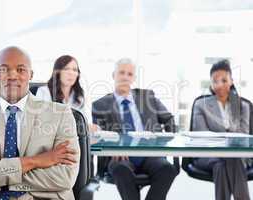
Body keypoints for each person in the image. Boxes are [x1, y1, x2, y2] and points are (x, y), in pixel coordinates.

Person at [0, 46, 80, 200]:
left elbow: (65, 177)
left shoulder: (60, 114)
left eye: (20, 70)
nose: (12, 75)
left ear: (30, 75)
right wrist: (37, 161)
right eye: (4, 69)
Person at [92, 58, 178, 200]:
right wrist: (115, 148)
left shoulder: (147, 97)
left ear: (134, 78)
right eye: (122, 73)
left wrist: (163, 144)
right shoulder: (100, 105)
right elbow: (99, 134)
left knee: (167, 169)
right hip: (121, 157)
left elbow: (169, 120)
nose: (125, 77)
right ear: (114, 75)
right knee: (120, 170)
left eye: (130, 74)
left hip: (150, 154)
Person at [192, 59, 251, 200]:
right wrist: (228, 140)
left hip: (238, 156)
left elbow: (243, 136)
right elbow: (202, 135)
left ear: (231, 81)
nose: (219, 85)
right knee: (228, 160)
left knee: (223, 165)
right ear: (211, 84)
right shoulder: (201, 105)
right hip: (209, 155)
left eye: (224, 80)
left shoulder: (242, 105)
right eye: (215, 81)